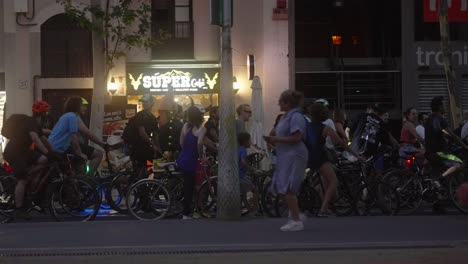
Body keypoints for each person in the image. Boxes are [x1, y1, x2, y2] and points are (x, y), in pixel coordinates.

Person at [263, 90, 307, 232]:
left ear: (287, 103)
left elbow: (297, 137)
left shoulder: (296, 117)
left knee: (288, 187)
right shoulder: (285, 117)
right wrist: (273, 140)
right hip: (285, 155)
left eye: (280, 101)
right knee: (279, 185)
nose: (278, 103)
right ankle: (295, 213)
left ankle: (296, 220)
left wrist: (276, 140)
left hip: (294, 155)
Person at [307, 104, 362, 217]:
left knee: (325, 182)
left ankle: (324, 206)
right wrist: (357, 155)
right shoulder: (325, 128)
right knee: (334, 182)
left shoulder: (306, 126)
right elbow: (341, 143)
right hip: (321, 158)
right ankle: (323, 210)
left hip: (309, 157)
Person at [2, 105, 55, 219]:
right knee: (23, 180)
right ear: (43, 115)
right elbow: (35, 139)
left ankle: (28, 174)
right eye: (46, 114)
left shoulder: (35, 124)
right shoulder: (31, 122)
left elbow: (43, 139)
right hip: (14, 152)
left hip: (24, 152)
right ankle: (19, 209)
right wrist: (47, 152)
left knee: (44, 160)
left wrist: (53, 152)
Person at [424, 96, 468, 184]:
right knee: (460, 163)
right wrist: (465, 146)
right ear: (440, 107)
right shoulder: (440, 119)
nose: (445, 107)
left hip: (429, 152)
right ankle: (439, 180)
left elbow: (442, 133)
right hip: (441, 152)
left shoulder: (429, 119)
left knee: (436, 171)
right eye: (443, 105)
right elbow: (452, 136)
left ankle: (438, 190)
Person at [349, 103, 399, 174]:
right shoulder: (381, 123)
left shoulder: (362, 115)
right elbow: (388, 141)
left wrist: (349, 141)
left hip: (354, 150)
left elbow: (348, 130)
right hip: (367, 154)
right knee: (367, 176)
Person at [176, 105, 207, 220]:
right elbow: (199, 143)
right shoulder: (202, 129)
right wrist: (200, 155)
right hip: (192, 161)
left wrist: (186, 150)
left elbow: (181, 142)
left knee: (187, 186)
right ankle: (186, 212)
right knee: (191, 187)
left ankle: (188, 209)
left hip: (182, 158)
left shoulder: (185, 126)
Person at [124, 94, 161, 175]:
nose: (144, 104)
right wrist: (153, 145)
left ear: (152, 103)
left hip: (144, 148)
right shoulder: (140, 116)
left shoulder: (153, 119)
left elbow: (156, 135)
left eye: (146, 102)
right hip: (137, 148)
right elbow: (142, 133)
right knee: (143, 169)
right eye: (143, 102)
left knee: (152, 167)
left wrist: (158, 148)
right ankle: (140, 183)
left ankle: (152, 181)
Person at [76, 97, 106, 177]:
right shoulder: (75, 117)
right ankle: (88, 180)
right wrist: (101, 143)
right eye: (83, 106)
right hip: (75, 145)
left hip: (76, 145)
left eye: (86, 106)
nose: (85, 108)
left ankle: (82, 183)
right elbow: (87, 133)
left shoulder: (79, 117)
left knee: (81, 170)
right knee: (99, 154)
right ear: (77, 106)